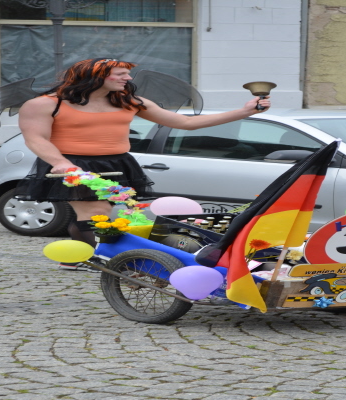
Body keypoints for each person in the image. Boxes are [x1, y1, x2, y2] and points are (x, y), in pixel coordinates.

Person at [14, 58, 271, 271]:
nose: (128, 79)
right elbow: (35, 138)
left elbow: (186, 123)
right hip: (72, 163)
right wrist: (61, 164)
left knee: (109, 214)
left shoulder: (129, 101)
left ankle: (80, 257)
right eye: (120, 74)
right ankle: (88, 259)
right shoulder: (46, 103)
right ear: (94, 76)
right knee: (95, 211)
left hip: (118, 162)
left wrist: (245, 111)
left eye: (128, 74)